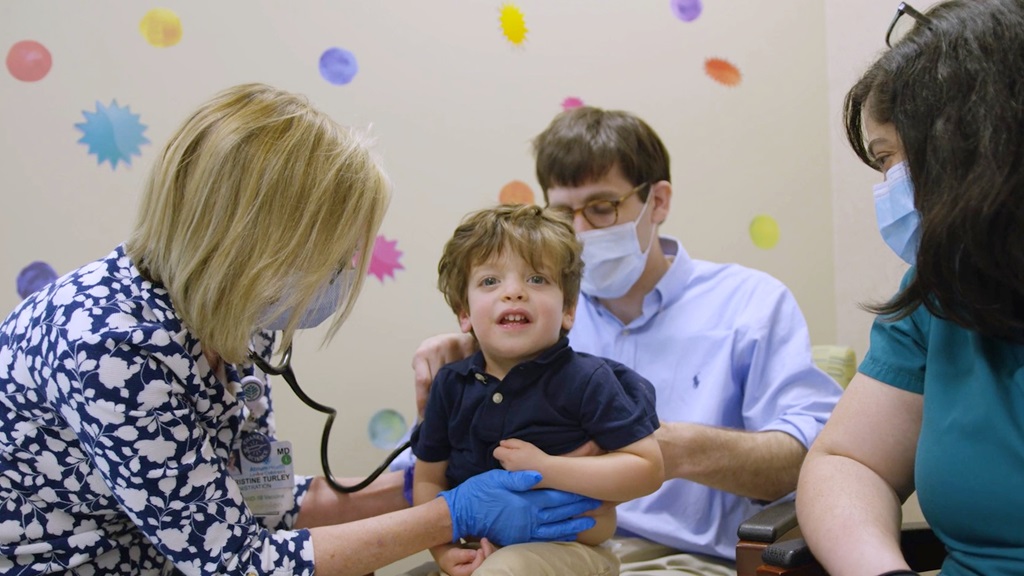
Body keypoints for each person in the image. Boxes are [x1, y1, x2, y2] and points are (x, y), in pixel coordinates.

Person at [0, 83, 601, 576]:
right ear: (252, 240)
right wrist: (454, 511)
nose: (344, 273)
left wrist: (432, 471)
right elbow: (238, 562)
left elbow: (259, 504)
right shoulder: (111, 346)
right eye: (334, 253)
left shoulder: (231, 316)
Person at [411, 107, 844, 573]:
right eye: (562, 212)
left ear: (657, 201)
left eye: (601, 208)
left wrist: (669, 448)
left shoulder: (750, 304)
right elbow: (426, 474)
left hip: (687, 558)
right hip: (517, 543)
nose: (578, 231)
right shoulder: (529, 322)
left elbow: (819, 460)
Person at [796, 1, 1024, 575]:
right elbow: (848, 461)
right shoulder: (935, 296)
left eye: (891, 159)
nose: (888, 189)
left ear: (972, 146)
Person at [411, 204, 664, 576]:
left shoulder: (587, 379)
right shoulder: (450, 385)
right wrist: (442, 551)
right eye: (490, 281)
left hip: (570, 551)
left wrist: (545, 469)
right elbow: (428, 478)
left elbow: (648, 468)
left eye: (536, 279)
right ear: (464, 313)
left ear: (568, 310)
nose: (513, 292)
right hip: (473, 552)